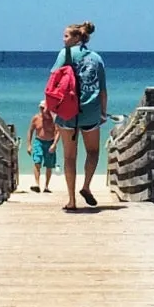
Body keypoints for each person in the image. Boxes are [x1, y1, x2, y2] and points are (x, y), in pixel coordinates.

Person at [53, 21, 107, 211]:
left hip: (68, 111)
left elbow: (53, 79)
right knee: (93, 152)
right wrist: (103, 112)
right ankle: (86, 186)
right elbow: (102, 90)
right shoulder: (97, 59)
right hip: (91, 111)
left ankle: (71, 200)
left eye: (66, 36)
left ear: (77, 37)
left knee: (69, 157)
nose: (63, 39)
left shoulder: (65, 54)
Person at [26, 104, 61, 193]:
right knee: (37, 161)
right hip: (39, 141)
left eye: (44, 108)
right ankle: (37, 184)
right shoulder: (36, 118)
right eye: (41, 108)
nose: (42, 110)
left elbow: (58, 132)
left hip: (50, 142)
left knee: (49, 165)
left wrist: (54, 144)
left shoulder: (53, 119)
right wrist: (29, 145)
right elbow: (30, 131)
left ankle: (46, 186)